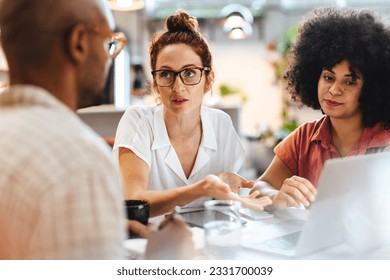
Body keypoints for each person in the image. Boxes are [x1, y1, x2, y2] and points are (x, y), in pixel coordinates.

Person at [0, 0, 192, 260]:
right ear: (79, 42)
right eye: (108, 42)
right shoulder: (79, 160)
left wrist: (99, 229)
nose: (108, 57)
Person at [113, 10, 271, 217]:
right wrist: (201, 189)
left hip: (207, 240)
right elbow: (134, 202)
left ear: (208, 79)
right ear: (155, 82)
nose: (178, 87)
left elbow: (227, 205)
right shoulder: (138, 121)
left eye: (189, 73)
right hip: (149, 241)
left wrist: (243, 191)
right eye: (166, 74)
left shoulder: (221, 125)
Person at [251, 7, 390, 210]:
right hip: (314, 241)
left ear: (371, 89)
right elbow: (259, 187)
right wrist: (276, 196)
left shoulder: (386, 139)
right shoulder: (303, 139)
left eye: (350, 82)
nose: (334, 90)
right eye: (328, 77)